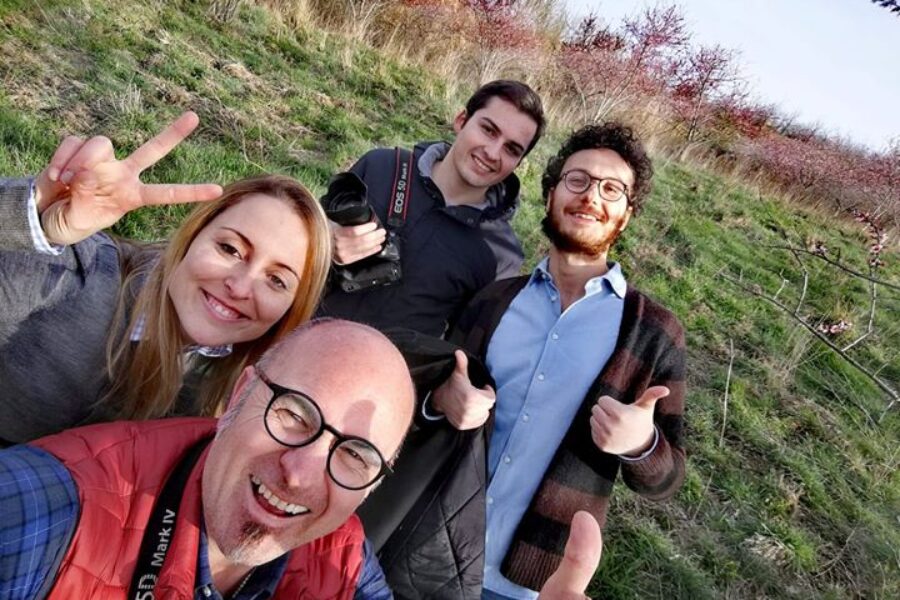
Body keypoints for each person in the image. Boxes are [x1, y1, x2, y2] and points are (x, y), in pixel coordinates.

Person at [0, 319, 604, 600]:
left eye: (356, 454)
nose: (301, 473)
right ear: (239, 394)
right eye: (293, 414)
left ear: (373, 484)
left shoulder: (340, 560)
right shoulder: (57, 507)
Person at [368, 123, 687, 599]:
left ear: (627, 213)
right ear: (552, 191)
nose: (591, 197)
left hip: (525, 582)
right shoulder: (492, 301)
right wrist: (440, 401)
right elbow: (423, 402)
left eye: (612, 189)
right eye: (577, 180)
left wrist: (640, 443)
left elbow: (667, 479)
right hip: (424, 549)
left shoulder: (654, 333)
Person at [0, 112, 332, 445]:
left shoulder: (235, 394)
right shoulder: (76, 274)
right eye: (229, 249)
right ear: (192, 236)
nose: (240, 287)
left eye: (276, 280)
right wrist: (32, 217)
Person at [316, 80, 545, 337]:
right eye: (488, 130)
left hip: (386, 374)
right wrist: (326, 240)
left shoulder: (501, 254)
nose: (493, 152)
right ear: (461, 120)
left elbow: (463, 343)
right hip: (301, 342)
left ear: (519, 163)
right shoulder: (382, 166)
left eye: (511, 149)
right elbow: (299, 241)